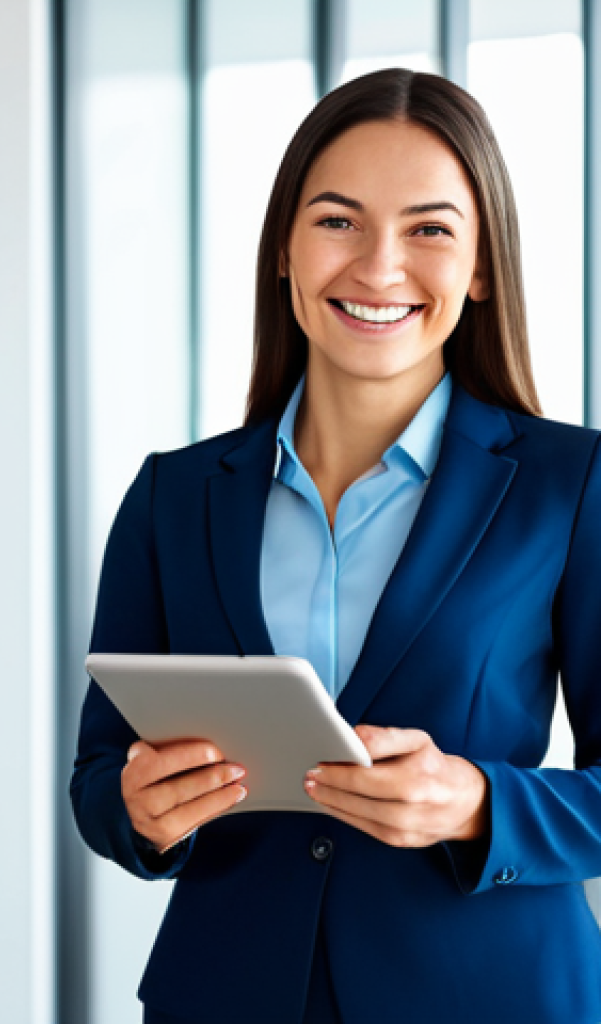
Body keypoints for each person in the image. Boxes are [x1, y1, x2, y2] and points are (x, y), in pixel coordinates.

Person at [69, 67, 601, 1024]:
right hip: (227, 996)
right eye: (338, 221)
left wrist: (482, 804)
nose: (379, 267)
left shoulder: (572, 485)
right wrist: (140, 812)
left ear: (481, 267)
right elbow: (100, 779)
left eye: (429, 229)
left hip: (490, 997)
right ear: (285, 248)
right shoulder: (173, 495)